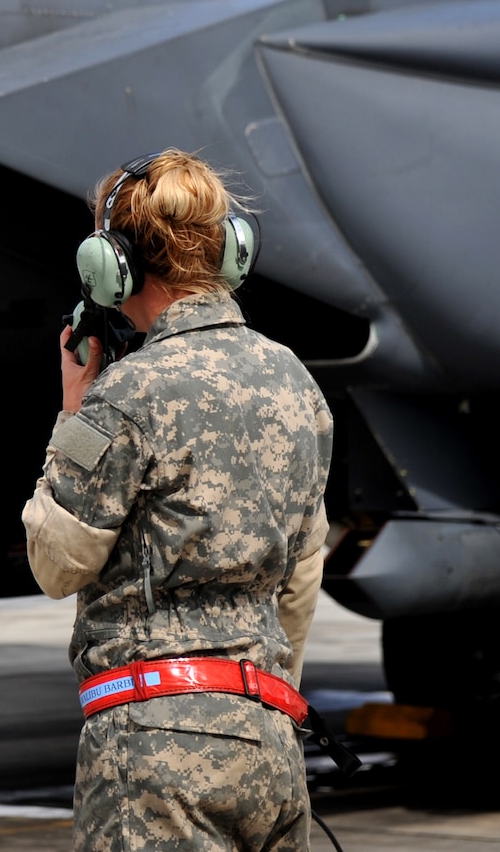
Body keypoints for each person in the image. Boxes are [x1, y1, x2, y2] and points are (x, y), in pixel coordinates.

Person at [22, 149, 333, 850]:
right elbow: (302, 573)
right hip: (271, 739)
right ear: (228, 252)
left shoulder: (124, 397)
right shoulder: (293, 381)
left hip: (153, 752)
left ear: (111, 265)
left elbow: (56, 560)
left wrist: (73, 419)